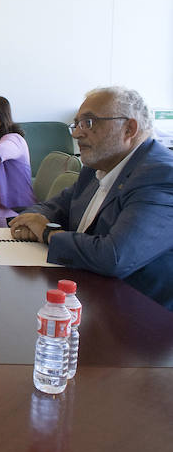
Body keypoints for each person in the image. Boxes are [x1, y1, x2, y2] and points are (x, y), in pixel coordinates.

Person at [10, 87, 173, 310]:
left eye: (89, 123)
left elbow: (114, 256)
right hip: (86, 298)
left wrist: (46, 232)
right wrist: (33, 218)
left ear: (129, 128)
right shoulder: (97, 166)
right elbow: (53, 207)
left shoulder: (161, 175)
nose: (76, 134)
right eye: (76, 124)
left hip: (140, 320)